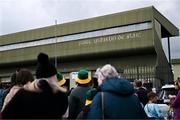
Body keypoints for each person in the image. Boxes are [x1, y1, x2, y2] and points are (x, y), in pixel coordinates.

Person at [1, 52, 68, 119]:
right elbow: (65, 115)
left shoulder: (23, 93)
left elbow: (5, 114)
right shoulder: (61, 95)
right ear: (54, 77)